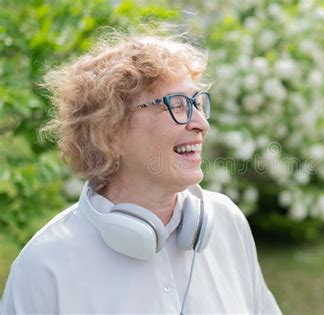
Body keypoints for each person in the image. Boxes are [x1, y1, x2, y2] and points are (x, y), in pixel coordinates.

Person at [0, 29, 281, 314]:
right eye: (178, 105)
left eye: (197, 103)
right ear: (109, 131)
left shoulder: (226, 221)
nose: (201, 124)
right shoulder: (43, 268)